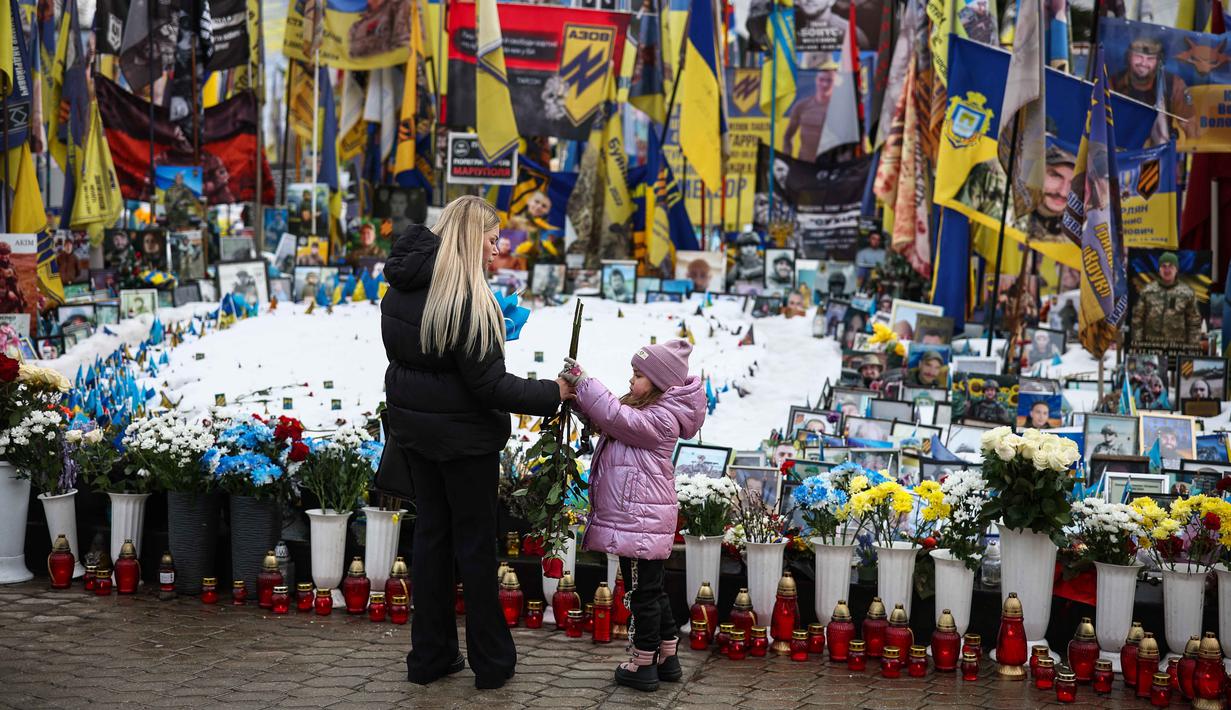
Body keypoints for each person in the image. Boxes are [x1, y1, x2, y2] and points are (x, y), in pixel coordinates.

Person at [380, 196, 567, 690]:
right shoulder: (466, 297)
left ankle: (430, 656)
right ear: (470, 238)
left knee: (431, 541)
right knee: (476, 549)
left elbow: (422, 357)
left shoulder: (401, 289)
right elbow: (490, 386)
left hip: (416, 435)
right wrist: (555, 393)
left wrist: (489, 333)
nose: (497, 249)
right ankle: (492, 662)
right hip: (465, 441)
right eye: (491, 239)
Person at [557, 339, 706, 692]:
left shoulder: (662, 419)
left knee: (642, 594)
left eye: (638, 375)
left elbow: (616, 417)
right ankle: (666, 656)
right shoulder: (648, 411)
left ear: (660, 383)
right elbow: (610, 421)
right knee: (651, 591)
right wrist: (579, 401)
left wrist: (585, 383)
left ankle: (642, 663)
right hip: (639, 520)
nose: (631, 380)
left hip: (641, 521)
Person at [1111, 36, 1195, 140]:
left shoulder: (1173, 84)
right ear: (1129, 57)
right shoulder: (1113, 83)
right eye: (1138, 56)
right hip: (1122, 144)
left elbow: (1191, 127)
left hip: (1159, 146)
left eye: (1150, 59)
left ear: (1159, 61)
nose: (1143, 63)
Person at [1131, 252, 1203, 349]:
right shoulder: (1147, 291)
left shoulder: (1187, 293)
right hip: (1151, 347)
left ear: (1176, 269)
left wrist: (1192, 349)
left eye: (1171, 266)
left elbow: (1194, 323)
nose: (1167, 270)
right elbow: (1137, 320)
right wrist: (1137, 346)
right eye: (1164, 266)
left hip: (1177, 348)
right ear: (1159, 269)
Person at [783, 71, 835, 161]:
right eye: (821, 79)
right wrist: (787, 160)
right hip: (805, 164)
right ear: (816, 80)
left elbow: (850, 142)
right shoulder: (801, 106)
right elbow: (787, 137)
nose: (825, 84)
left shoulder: (841, 109)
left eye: (829, 80)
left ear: (835, 82)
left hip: (831, 166)